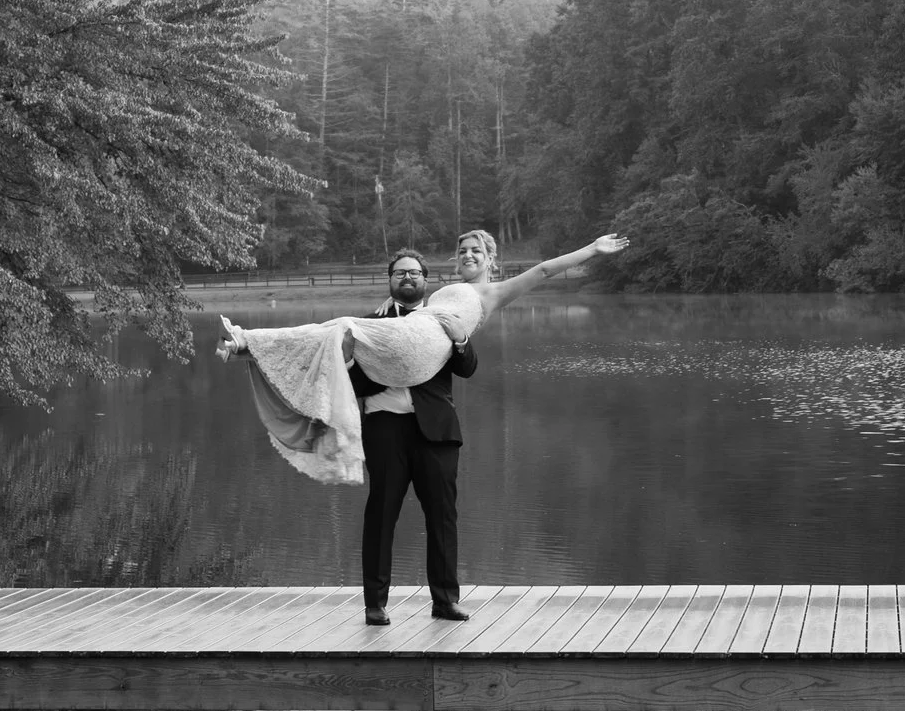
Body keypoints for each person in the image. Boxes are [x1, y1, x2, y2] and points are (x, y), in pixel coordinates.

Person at [218, 229, 627, 572]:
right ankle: (245, 344)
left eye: (477, 252)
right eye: (463, 251)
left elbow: (543, 270)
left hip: (430, 399)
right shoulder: (429, 299)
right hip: (398, 384)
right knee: (337, 331)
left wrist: (592, 249)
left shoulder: (494, 292)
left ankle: (246, 342)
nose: (469, 255)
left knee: (441, 517)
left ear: (491, 260)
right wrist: (389, 317)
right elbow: (407, 316)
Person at [353, 248, 475, 624]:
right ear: (389, 281)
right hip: (385, 428)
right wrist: (386, 365)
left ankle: (445, 601)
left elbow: (468, 369)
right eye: (399, 273)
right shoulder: (367, 325)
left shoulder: (441, 320)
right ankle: (375, 604)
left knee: (442, 518)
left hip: (436, 432)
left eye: (414, 273)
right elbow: (354, 382)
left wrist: (460, 340)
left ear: (425, 279)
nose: (407, 278)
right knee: (381, 515)